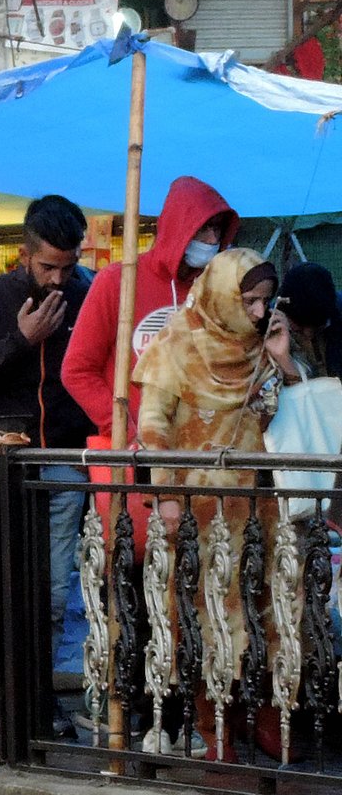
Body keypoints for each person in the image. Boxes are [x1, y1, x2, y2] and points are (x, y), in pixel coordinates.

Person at [132, 249, 294, 763]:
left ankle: (269, 716)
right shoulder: (175, 345)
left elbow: (296, 415)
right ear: (223, 295)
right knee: (207, 614)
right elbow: (152, 428)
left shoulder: (264, 348)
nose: (256, 312)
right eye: (248, 301)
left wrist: (285, 358)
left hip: (263, 503)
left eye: (265, 301)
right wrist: (167, 497)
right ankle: (213, 726)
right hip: (202, 509)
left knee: (270, 606)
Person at [0, 195, 95, 736]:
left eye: (68, 266)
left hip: (62, 460)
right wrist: (21, 339)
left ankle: (36, 700)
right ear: (22, 255)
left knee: (55, 593)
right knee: (5, 588)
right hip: (3, 462)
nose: (58, 280)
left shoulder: (91, 292)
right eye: (47, 267)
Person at [63, 176, 240, 440]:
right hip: (134, 454)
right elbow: (77, 370)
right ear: (179, 227)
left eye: (218, 230)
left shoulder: (217, 288)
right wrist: (123, 428)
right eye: (204, 228)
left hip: (202, 450)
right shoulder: (118, 281)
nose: (212, 239)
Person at [269, 262, 342, 379]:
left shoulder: (336, 311)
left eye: (318, 327)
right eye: (299, 328)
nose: (309, 335)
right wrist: (283, 358)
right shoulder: (271, 324)